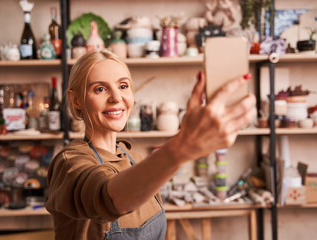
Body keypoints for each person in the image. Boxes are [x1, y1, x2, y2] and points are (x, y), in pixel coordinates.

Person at [46, 49, 256, 240]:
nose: (116, 98)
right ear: (76, 101)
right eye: (100, 89)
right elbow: (108, 197)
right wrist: (183, 146)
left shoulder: (133, 159)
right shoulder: (69, 163)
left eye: (123, 86)